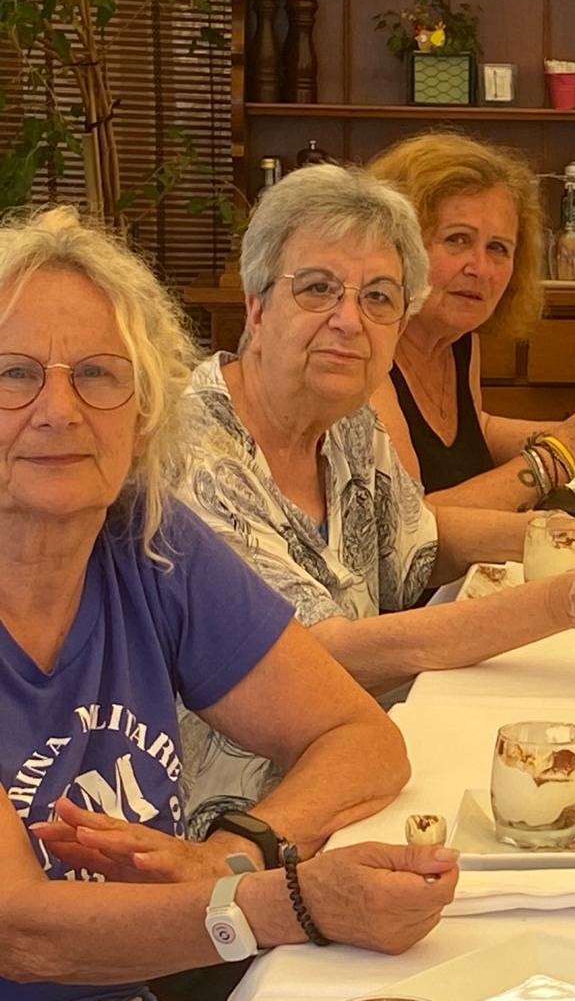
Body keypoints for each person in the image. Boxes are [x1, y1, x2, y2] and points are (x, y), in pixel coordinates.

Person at [0, 208, 457, 1001]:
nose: (60, 410)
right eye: (14, 372)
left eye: (100, 375)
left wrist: (237, 849)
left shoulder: (144, 539)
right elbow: (23, 932)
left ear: (144, 417)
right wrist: (287, 903)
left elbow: (362, 737)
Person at [176, 164, 575, 830]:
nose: (349, 320)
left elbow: (421, 542)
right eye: (317, 289)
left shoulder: (346, 421)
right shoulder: (195, 454)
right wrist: (555, 601)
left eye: (378, 298)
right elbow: (319, 655)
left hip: (364, 763)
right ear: (256, 303)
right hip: (249, 822)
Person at [366, 131, 575, 508]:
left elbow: (473, 431)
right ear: (397, 243)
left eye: (498, 248)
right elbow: (412, 527)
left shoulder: (458, 338)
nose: (481, 269)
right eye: (457, 240)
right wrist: (562, 454)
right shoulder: (364, 351)